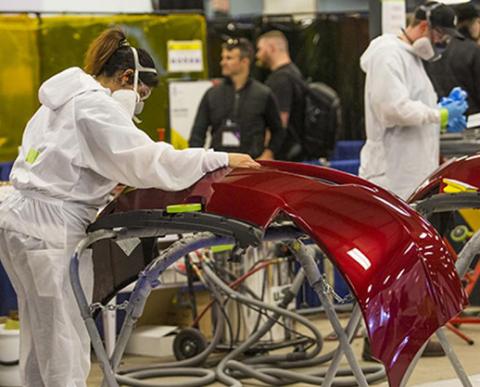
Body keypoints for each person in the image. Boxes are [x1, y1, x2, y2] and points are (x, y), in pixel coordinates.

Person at [0, 28, 259, 387]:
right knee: (64, 337)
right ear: (126, 78)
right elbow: (146, 158)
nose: (138, 105)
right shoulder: (94, 104)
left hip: (19, 222)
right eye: (141, 95)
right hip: (50, 232)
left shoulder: (56, 102)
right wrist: (215, 158)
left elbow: (65, 164)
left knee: (40, 330)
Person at [359, 1, 467, 202]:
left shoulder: (412, 58)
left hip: (411, 176)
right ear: (424, 27)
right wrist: (438, 114)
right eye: (441, 35)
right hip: (392, 177)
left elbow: (413, 110)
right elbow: (392, 108)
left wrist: (440, 118)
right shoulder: (387, 53)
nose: (442, 42)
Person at [189, 38, 285, 160]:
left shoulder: (263, 94)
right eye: (222, 58)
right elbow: (197, 134)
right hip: (220, 166)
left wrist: (269, 153)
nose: (222, 62)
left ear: (244, 62)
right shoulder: (212, 94)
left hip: (252, 166)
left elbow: (278, 131)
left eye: (229, 58)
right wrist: (197, 162)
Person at [256, 30, 305, 161]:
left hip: (284, 156)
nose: (258, 55)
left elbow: (279, 121)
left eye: (260, 49)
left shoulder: (280, 79)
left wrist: (268, 151)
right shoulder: (294, 73)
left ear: (271, 48)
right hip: (294, 151)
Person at [426, 1, 480, 115]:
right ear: (470, 23)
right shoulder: (473, 50)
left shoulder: (434, 49)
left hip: (440, 117)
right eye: (478, 22)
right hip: (472, 120)